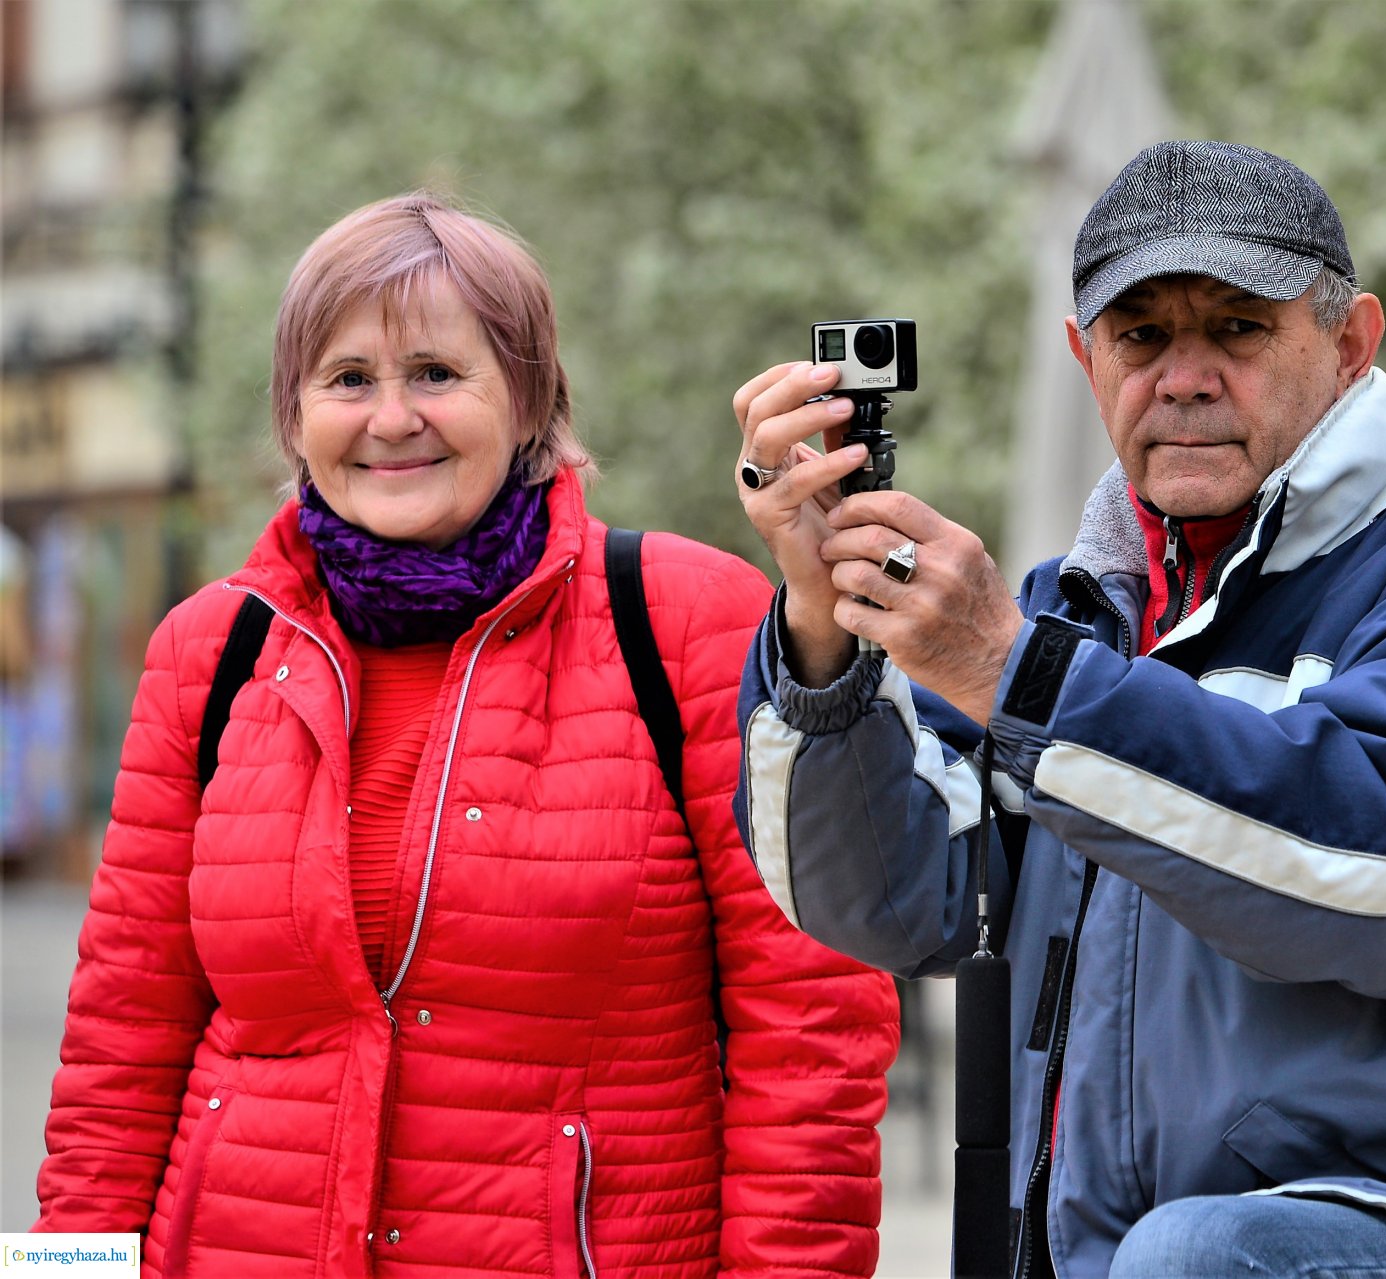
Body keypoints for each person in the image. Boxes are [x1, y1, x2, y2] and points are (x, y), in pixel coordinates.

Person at [730, 141, 1386, 1278]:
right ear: (1086, 361)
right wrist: (821, 628)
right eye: (1142, 336)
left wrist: (1012, 670)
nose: (1184, 376)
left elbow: (1378, 879)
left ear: (1350, 345)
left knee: (1198, 1257)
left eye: (1237, 328)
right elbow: (892, 902)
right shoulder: (1062, 617)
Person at [35, 192, 898, 1279]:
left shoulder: (684, 620)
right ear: (294, 415)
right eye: (348, 379)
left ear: (532, 398)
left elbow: (812, 1033)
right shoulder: (206, 653)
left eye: (437, 373)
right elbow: (117, 1046)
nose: (392, 418)